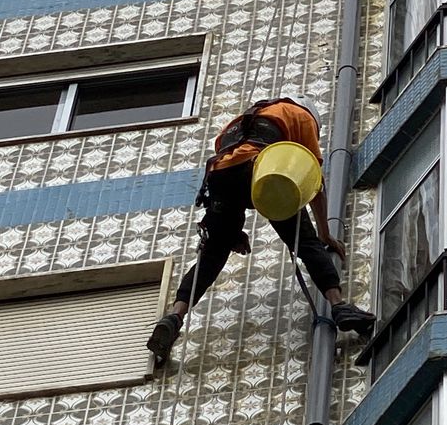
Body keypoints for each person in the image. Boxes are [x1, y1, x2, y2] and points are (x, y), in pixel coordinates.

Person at [146, 95, 376, 365]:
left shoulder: (235, 125)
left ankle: (174, 316)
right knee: (307, 243)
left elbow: (233, 172)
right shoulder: (301, 117)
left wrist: (232, 232)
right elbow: (313, 180)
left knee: (211, 257)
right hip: (260, 172)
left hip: (220, 179)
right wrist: (326, 233)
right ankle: (339, 305)